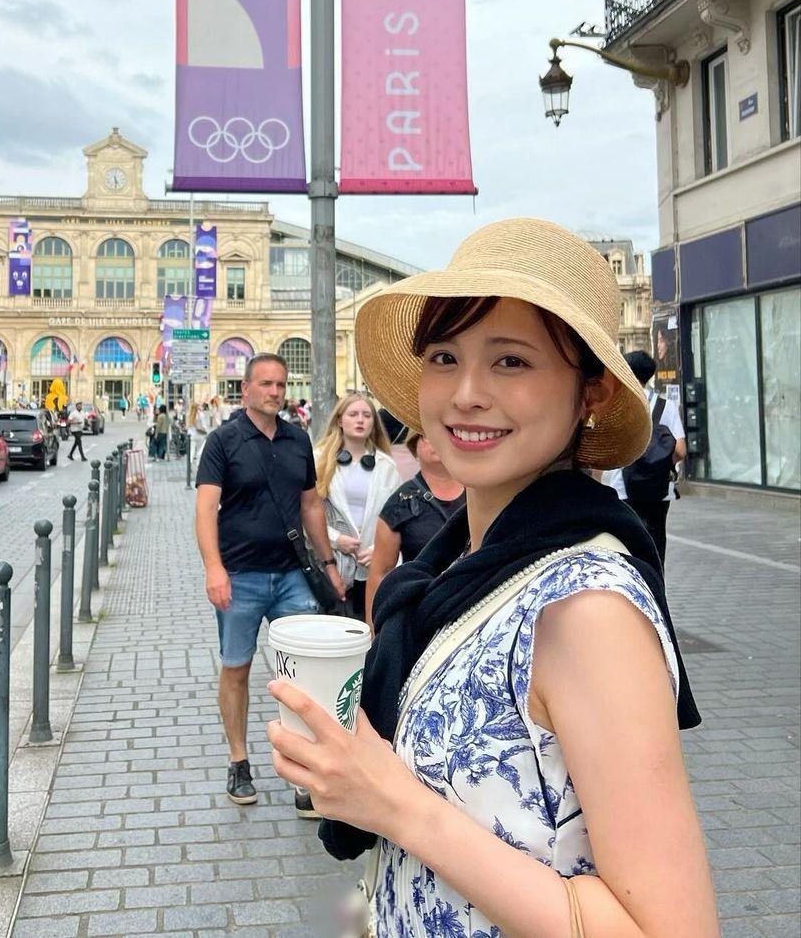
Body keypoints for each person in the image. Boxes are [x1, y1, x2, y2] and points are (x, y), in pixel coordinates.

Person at [266, 219, 717, 937]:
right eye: (445, 356)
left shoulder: (583, 608)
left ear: (590, 392)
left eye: (511, 361)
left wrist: (394, 803)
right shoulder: (455, 563)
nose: (467, 393)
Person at [195, 352, 346, 820]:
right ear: (246, 390)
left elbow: (311, 506)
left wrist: (328, 564)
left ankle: (302, 772)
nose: (275, 392)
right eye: (266, 384)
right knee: (236, 667)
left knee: (300, 676)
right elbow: (205, 511)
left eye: (281, 385)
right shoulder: (223, 441)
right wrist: (213, 569)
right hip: (239, 576)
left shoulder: (298, 439)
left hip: (292, 577)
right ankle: (239, 762)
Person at [313, 393, 400, 622]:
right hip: (332, 567)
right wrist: (336, 539)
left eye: (366, 415)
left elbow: (396, 517)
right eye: (353, 414)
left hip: (372, 568)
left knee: (368, 632)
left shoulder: (387, 466)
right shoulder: (318, 459)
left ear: (374, 423)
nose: (360, 420)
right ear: (340, 420)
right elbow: (306, 514)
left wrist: (379, 549)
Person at [365, 432, 464, 627]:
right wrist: (373, 632)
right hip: (421, 613)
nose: (434, 441)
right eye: (425, 436)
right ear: (414, 447)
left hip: (473, 605)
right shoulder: (399, 503)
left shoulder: (480, 491)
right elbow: (380, 572)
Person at [602, 349, 686, 567]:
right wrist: (658, 464)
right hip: (659, 491)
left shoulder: (615, 407)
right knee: (656, 545)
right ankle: (657, 592)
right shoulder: (666, 406)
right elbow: (680, 450)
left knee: (627, 547)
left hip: (623, 488)